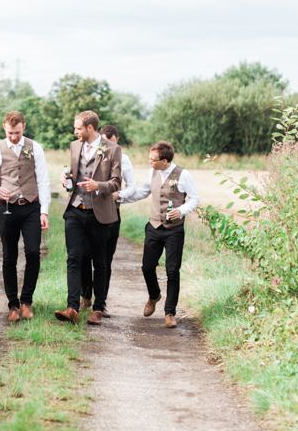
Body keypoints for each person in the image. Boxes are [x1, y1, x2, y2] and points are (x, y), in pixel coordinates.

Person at [119, 141, 199, 328]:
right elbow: (143, 192)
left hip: (174, 230)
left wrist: (182, 210)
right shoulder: (152, 172)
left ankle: (170, 312)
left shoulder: (183, 175)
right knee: (147, 267)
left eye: (153, 160)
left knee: (172, 271)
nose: (150, 162)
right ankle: (154, 296)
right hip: (154, 227)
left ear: (165, 160)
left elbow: (195, 198)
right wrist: (121, 197)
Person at [54, 111, 121, 326]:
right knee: (74, 258)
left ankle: (99, 308)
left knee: (100, 263)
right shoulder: (75, 146)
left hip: (99, 213)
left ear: (90, 128)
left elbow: (116, 182)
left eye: (78, 128)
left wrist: (98, 186)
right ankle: (72, 307)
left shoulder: (113, 149)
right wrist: (67, 180)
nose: (75, 132)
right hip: (75, 209)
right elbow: (74, 174)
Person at [0, 111, 50, 323]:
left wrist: (44, 211)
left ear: (24, 127)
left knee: (33, 252)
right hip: (7, 208)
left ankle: (26, 302)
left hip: (31, 207)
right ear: (5, 129)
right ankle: (12, 304)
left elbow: (43, 180)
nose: (14, 137)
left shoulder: (35, 147)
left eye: (18, 132)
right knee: (9, 256)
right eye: (10, 133)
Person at [78, 123, 135, 316]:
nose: (107, 148)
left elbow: (131, 187)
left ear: (116, 141)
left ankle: (100, 302)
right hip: (88, 210)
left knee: (104, 260)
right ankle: (85, 294)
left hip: (112, 213)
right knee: (85, 255)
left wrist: (118, 195)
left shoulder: (123, 158)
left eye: (111, 143)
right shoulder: (87, 152)